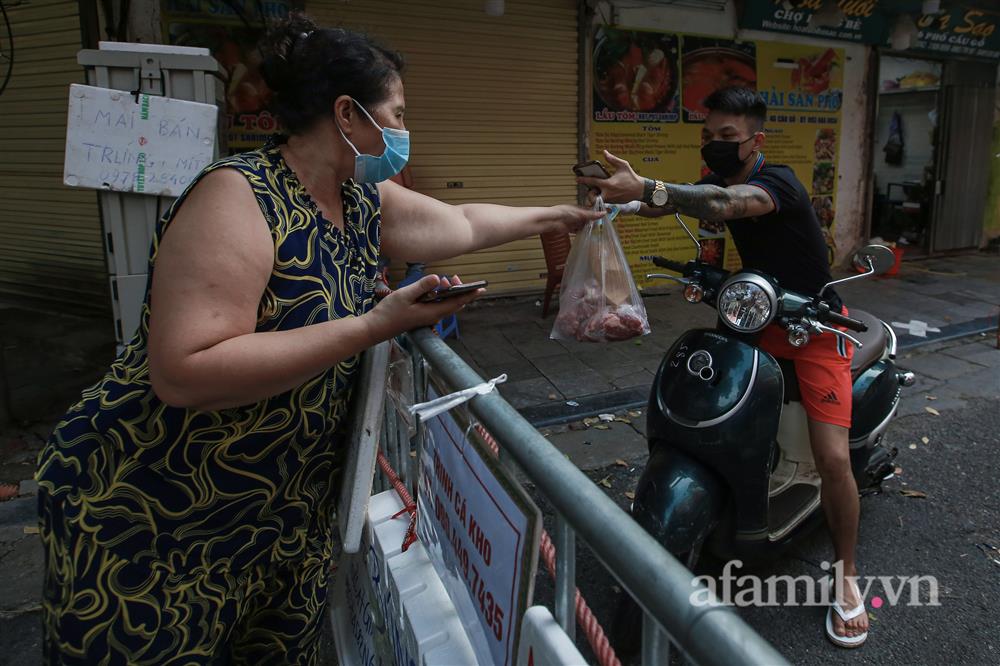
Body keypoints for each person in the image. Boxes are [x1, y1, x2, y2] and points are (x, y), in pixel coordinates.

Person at [35, 14, 601, 665]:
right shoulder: (240, 196)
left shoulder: (359, 197)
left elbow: (462, 222)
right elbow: (185, 370)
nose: (404, 130)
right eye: (397, 112)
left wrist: (560, 215)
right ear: (348, 114)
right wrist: (375, 325)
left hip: (278, 517)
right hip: (155, 514)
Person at [579, 86, 869, 648]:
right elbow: (685, 201)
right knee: (713, 398)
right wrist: (622, 201)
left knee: (834, 458)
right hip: (756, 313)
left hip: (815, 324)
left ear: (755, 140)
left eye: (727, 137)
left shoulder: (776, 181)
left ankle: (848, 576)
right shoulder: (720, 175)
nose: (714, 146)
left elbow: (725, 207)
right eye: (708, 135)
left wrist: (649, 187)